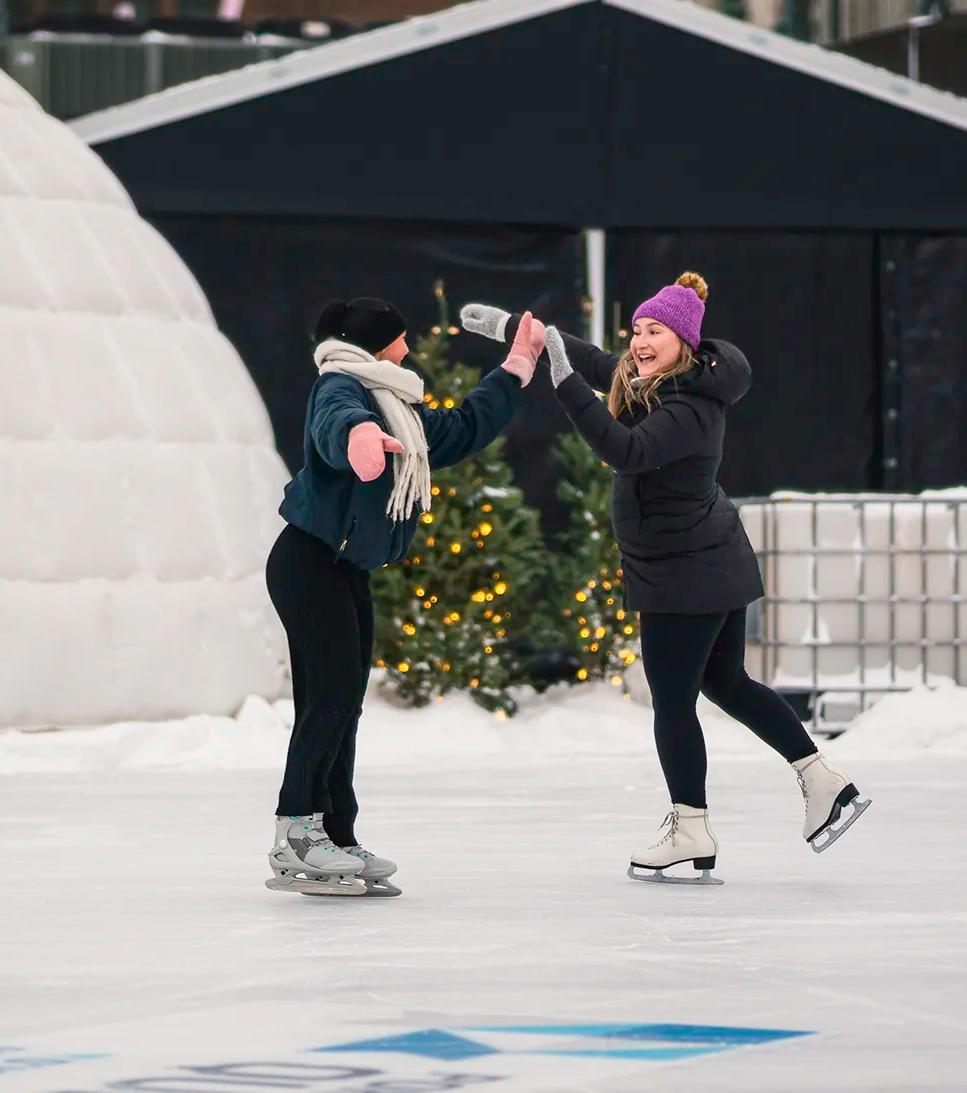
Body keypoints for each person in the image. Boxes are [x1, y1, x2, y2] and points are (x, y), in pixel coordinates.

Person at [461, 274, 869, 885]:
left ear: (683, 340)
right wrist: (529, 333)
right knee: (726, 682)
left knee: (675, 702)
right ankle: (821, 780)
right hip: (708, 561)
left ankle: (691, 825)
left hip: (687, 574)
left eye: (655, 332)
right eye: (637, 331)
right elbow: (600, 361)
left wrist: (568, 388)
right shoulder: (657, 380)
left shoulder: (690, 409)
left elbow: (624, 449)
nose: (640, 342)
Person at [266, 297, 542, 897]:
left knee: (344, 701)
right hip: (309, 562)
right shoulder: (342, 385)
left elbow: (462, 429)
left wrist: (514, 369)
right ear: (372, 343)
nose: (409, 348)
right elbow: (334, 420)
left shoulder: (398, 407)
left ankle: (334, 835)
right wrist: (360, 437)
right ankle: (296, 832)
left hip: (342, 568)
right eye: (399, 338)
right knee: (330, 697)